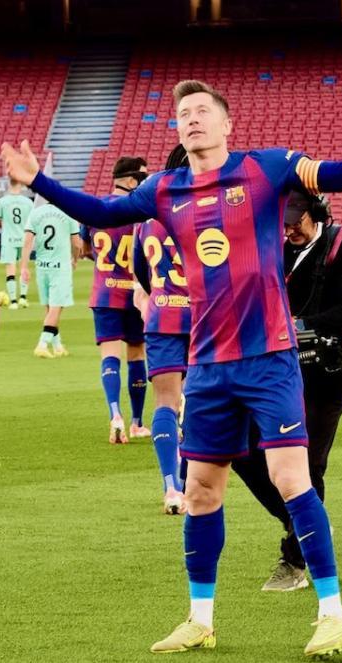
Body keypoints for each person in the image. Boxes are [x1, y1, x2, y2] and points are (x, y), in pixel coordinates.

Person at [2, 69, 342, 659]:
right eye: (182, 115)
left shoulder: (268, 168)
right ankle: (200, 618)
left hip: (269, 357)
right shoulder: (163, 189)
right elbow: (102, 211)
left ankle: (332, 614)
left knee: (293, 480)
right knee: (201, 492)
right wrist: (41, 183)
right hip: (207, 365)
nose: (190, 119)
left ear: (226, 123)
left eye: (201, 111)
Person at [230, 185, 342, 591]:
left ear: (317, 213)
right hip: (274, 371)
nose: (288, 231)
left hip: (327, 372)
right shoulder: (274, 249)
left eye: (295, 223)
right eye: (283, 224)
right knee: (242, 449)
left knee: (308, 464)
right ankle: (305, 523)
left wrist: (298, 326)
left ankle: (295, 560)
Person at [131, 143, 192, 515]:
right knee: (200, 401)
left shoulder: (148, 219)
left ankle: (171, 486)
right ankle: (192, 478)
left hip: (164, 315)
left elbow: (141, 272)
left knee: (165, 403)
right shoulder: (207, 208)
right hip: (205, 316)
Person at [82, 156, 151, 444]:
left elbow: (85, 249)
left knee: (110, 357)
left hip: (104, 292)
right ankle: (136, 423)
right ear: (132, 181)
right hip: (136, 293)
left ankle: (115, 414)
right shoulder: (141, 213)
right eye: (144, 178)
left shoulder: (96, 210)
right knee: (137, 354)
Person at [21, 199, 82, 358]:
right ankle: (42, 344)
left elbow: (27, 242)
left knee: (49, 308)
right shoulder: (69, 213)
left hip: (42, 266)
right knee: (56, 308)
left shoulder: (35, 213)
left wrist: (24, 266)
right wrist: (75, 259)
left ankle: (57, 346)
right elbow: (77, 243)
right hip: (60, 267)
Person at [0, 180, 34, 309]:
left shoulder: (2, 201)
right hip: (24, 239)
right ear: (21, 185)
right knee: (24, 268)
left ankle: (13, 301)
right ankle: (23, 298)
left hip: (8, 239)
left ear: (9, 184)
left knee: (10, 269)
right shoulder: (28, 202)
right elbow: (32, 222)